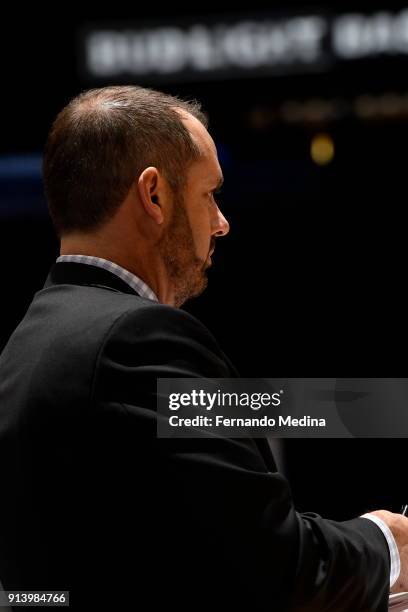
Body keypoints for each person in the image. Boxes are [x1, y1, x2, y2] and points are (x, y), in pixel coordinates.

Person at [0, 85, 406, 611]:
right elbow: (276, 567)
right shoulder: (137, 338)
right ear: (154, 196)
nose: (221, 222)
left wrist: (384, 406)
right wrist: (387, 541)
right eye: (208, 194)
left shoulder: (29, 341)